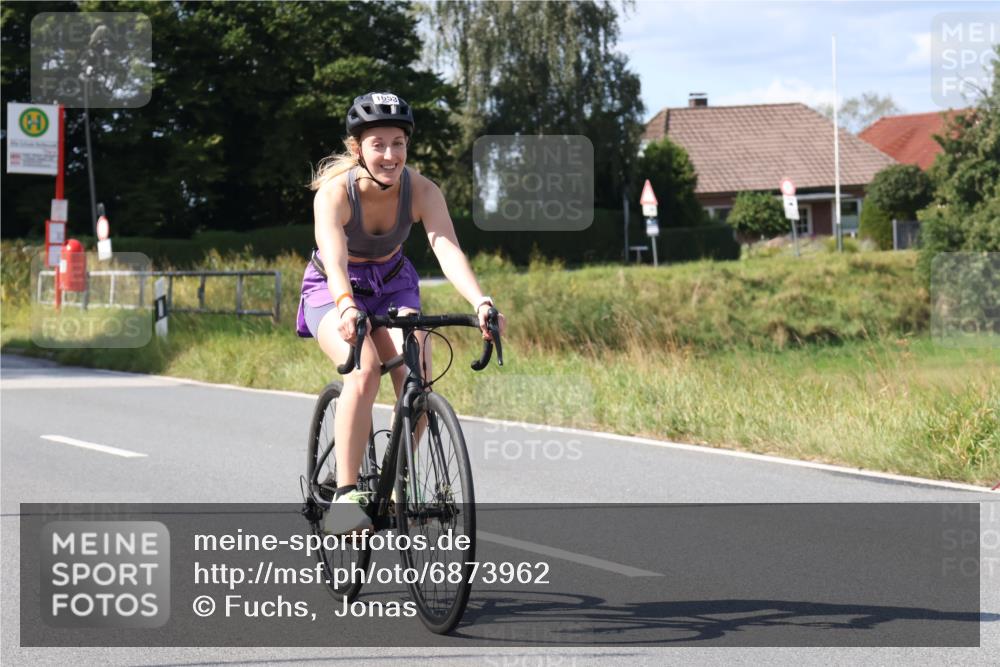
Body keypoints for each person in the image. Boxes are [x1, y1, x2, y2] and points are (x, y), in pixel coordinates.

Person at [296, 92, 507, 535]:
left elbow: (446, 247)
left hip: (393, 282)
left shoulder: (423, 190)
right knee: (364, 370)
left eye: (398, 143)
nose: (390, 154)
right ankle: (348, 493)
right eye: (378, 144)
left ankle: (396, 477)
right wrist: (346, 305)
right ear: (358, 149)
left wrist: (480, 301)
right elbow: (334, 260)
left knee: (419, 374)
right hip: (334, 289)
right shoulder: (335, 195)